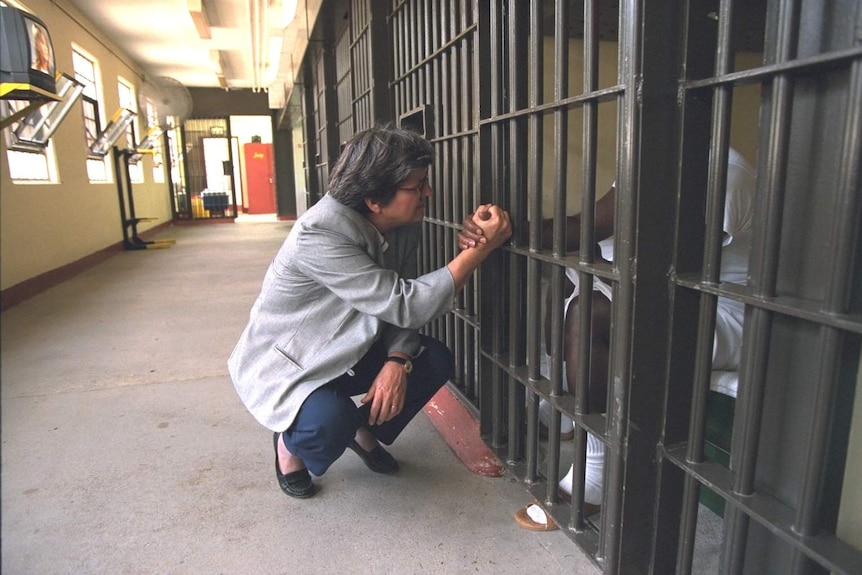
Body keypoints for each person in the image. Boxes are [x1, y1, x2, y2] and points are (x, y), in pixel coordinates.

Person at [458, 148, 754, 529]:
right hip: (678, 302)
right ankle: (565, 409)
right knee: (571, 275)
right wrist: (500, 231)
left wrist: (503, 231)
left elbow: (600, 231)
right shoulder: (657, 157)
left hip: (724, 315)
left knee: (592, 310)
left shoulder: (725, 174)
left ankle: (595, 469)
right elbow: (588, 229)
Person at [228, 125, 511, 498]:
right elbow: (404, 302)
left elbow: (402, 294)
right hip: (295, 362)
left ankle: (359, 430)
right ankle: (289, 445)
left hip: (348, 344)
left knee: (434, 359)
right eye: (417, 186)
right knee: (326, 424)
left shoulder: (400, 223)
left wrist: (397, 360)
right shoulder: (319, 234)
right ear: (375, 199)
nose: (428, 192)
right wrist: (477, 253)